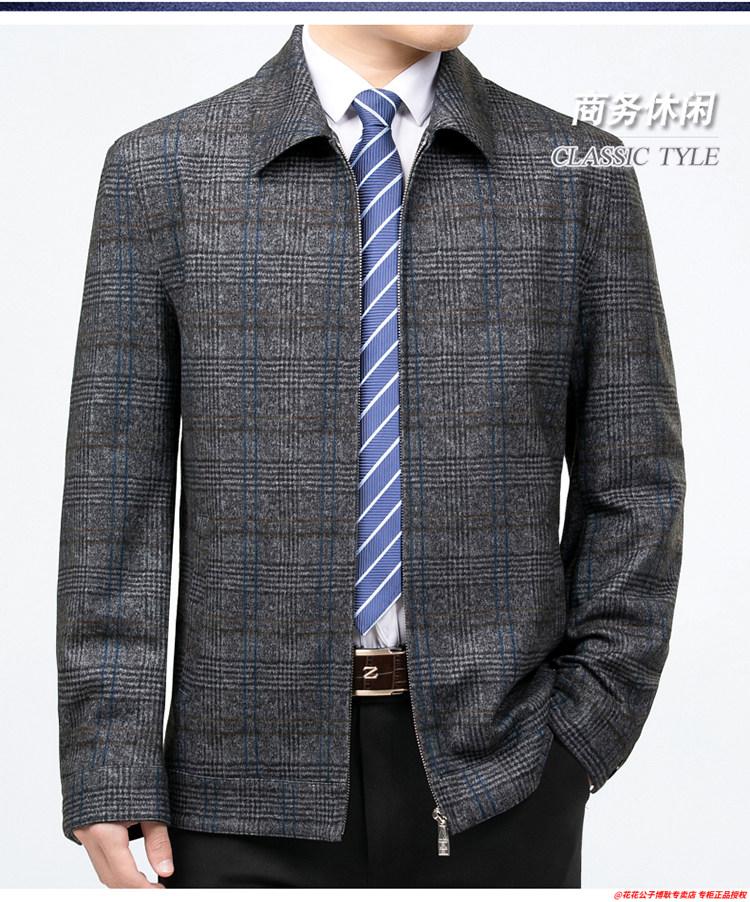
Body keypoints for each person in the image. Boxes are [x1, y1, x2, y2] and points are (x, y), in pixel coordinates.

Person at [56, 22, 686, 888]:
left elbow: (637, 481)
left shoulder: (579, 173)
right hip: (233, 790)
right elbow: (112, 502)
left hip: (501, 777)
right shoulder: (161, 171)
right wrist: (108, 758)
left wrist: (580, 735)